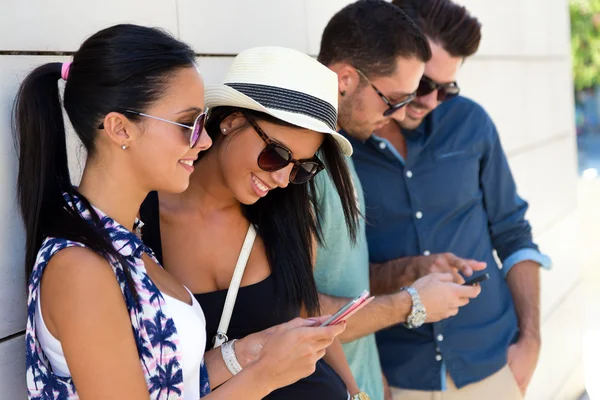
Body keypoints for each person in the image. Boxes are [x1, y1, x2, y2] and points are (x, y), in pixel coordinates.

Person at [17, 25, 345, 400]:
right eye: (188, 124)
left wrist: (250, 350)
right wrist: (266, 375)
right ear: (120, 129)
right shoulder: (80, 267)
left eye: (201, 123)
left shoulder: (123, 240)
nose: (204, 140)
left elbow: (171, 384)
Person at [348, 0, 552, 399]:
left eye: (447, 89)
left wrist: (531, 340)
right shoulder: (343, 146)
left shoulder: (471, 123)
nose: (431, 100)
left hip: (494, 366)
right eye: (423, 85)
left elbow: (513, 232)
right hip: (397, 378)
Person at [140, 46, 362, 399]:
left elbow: (308, 320)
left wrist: (355, 392)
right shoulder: (138, 223)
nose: (284, 179)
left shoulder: (288, 217)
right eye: (277, 155)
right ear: (231, 121)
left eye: (302, 168)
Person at [313, 1, 486, 399]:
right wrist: (411, 303)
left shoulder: (340, 148)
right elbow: (300, 312)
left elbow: (343, 280)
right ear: (345, 80)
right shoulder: (296, 163)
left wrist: (413, 269)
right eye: (395, 98)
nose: (402, 112)